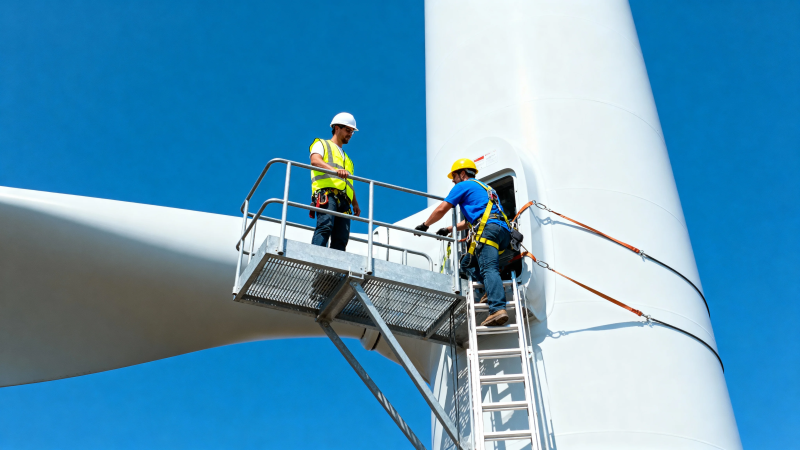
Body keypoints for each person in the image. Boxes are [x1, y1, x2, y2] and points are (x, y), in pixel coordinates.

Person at [414, 159, 512, 326]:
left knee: (489, 268)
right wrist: (449, 229)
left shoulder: (462, 186)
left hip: (487, 230)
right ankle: (491, 289)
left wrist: (425, 225)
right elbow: (474, 219)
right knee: (466, 263)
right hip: (502, 230)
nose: (453, 180)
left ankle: (497, 309)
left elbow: (441, 209)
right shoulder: (486, 189)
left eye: (454, 176)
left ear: (463, 174)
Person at [309, 112, 361, 251]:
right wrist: (334, 170)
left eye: (352, 131)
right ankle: (315, 262)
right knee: (325, 227)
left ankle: (334, 273)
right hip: (327, 194)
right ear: (337, 128)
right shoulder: (321, 144)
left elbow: (348, 183)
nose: (350, 134)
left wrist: (355, 202)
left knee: (341, 239)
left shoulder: (348, 160)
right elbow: (315, 160)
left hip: (345, 203)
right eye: (348, 130)